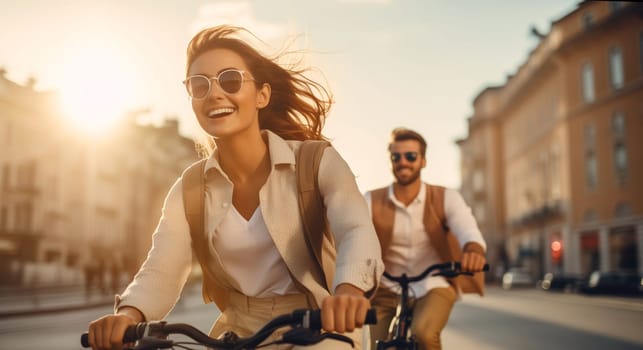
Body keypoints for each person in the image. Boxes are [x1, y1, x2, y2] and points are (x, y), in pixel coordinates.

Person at [86, 25, 383, 350]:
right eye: (199, 85)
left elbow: (355, 227)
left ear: (262, 95)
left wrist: (350, 292)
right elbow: (161, 268)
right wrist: (127, 316)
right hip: (239, 327)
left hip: (319, 323)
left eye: (230, 80)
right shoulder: (189, 189)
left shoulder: (316, 162)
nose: (214, 94)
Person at [364, 128, 487, 350]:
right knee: (376, 345)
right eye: (396, 157)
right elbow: (356, 235)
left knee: (424, 332)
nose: (403, 162)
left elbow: (467, 229)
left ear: (423, 161)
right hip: (386, 286)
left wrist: (473, 251)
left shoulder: (445, 197)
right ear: (390, 161)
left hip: (434, 283)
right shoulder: (371, 200)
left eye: (411, 156)